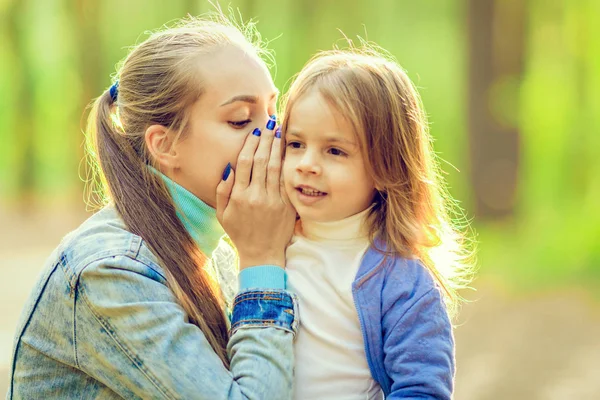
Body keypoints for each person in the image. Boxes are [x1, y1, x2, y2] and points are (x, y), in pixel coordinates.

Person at [7, 15, 298, 400]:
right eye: (241, 119)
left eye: (273, 113)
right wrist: (263, 261)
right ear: (164, 145)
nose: (275, 137)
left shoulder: (221, 256)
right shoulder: (110, 271)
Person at [280, 46, 475, 399]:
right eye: (295, 144)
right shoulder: (264, 243)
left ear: (386, 168)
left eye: (334, 151)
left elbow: (422, 388)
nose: (307, 163)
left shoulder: (401, 281)